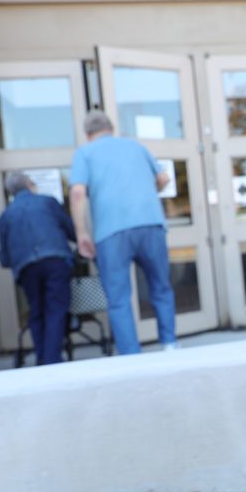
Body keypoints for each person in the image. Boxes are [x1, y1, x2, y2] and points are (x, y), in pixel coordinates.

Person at [68, 110, 176, 354]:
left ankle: (131, 357)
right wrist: (148, 193)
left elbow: (77, 194)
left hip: (111, 232)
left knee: (118, 299)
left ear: (87, 134)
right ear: (111, 128)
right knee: (161, 287)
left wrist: (82, 233)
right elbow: (163, 178)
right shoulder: (135, 147)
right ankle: (170, 344)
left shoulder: (84, 153)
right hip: (150, 224)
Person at [0, 173, 76, 365]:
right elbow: (70, 230)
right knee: (55, 309)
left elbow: (5, 257)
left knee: (37, 311)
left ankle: (43, 358)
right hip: (55, 260)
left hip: (26, 268)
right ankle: (51, 359)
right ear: (30, 185)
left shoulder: (6, 216)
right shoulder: (47, 202)